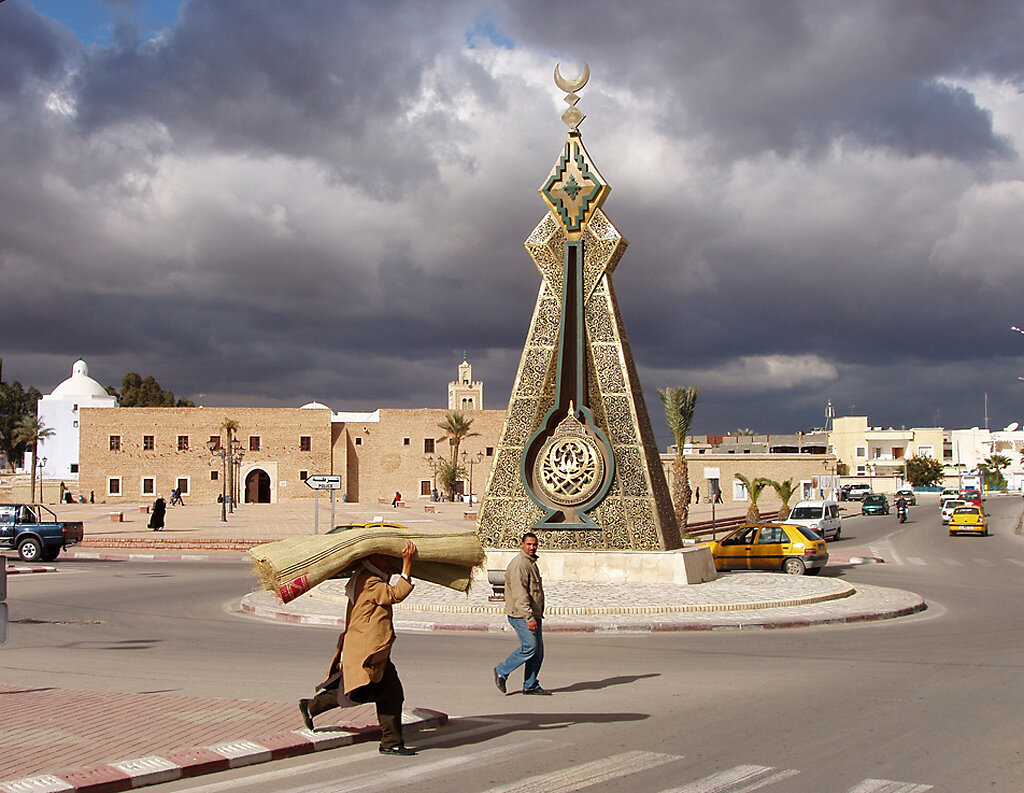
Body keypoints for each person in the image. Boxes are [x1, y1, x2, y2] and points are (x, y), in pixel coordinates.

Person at [299, 540, 419, 755]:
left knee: (386, 693)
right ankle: (391, 742)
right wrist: (407, 564)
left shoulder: (368, 575)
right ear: (370, 559)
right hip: (368, 652)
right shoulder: (369, 581)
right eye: (383, 557)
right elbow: (394, 595)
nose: (388, 561)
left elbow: (388, 586)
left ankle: (391, 741)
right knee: (364, 693)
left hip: (374, 650)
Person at [494, 532, 549, 696]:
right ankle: (502, 670)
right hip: (521, 615)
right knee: (530, 647)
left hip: (533, 614)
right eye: (529, 544)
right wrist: (529, 618)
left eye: (534, 544)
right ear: (522, 544)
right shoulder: (520, 565)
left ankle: (530, 684)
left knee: (538, 653)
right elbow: (520, 594)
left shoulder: (530, 562)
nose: (532, 547)